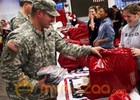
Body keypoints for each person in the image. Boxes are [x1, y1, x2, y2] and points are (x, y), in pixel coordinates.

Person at [0, 0, 103, 99]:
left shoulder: (48, 30)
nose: (54, 20)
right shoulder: (20, 38)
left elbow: (65, 46)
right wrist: (35, 85)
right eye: (51, 16)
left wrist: (89, 50)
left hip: (48, 92)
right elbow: (8, 71)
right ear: (39, 13)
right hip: (28, 96)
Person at [119, 3, 140, 93]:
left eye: (129, 16)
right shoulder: (125, 29)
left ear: (138, 14)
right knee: (134, 92)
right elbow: (121, 44)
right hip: (130, 67)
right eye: (125, 16)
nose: (126, 19)